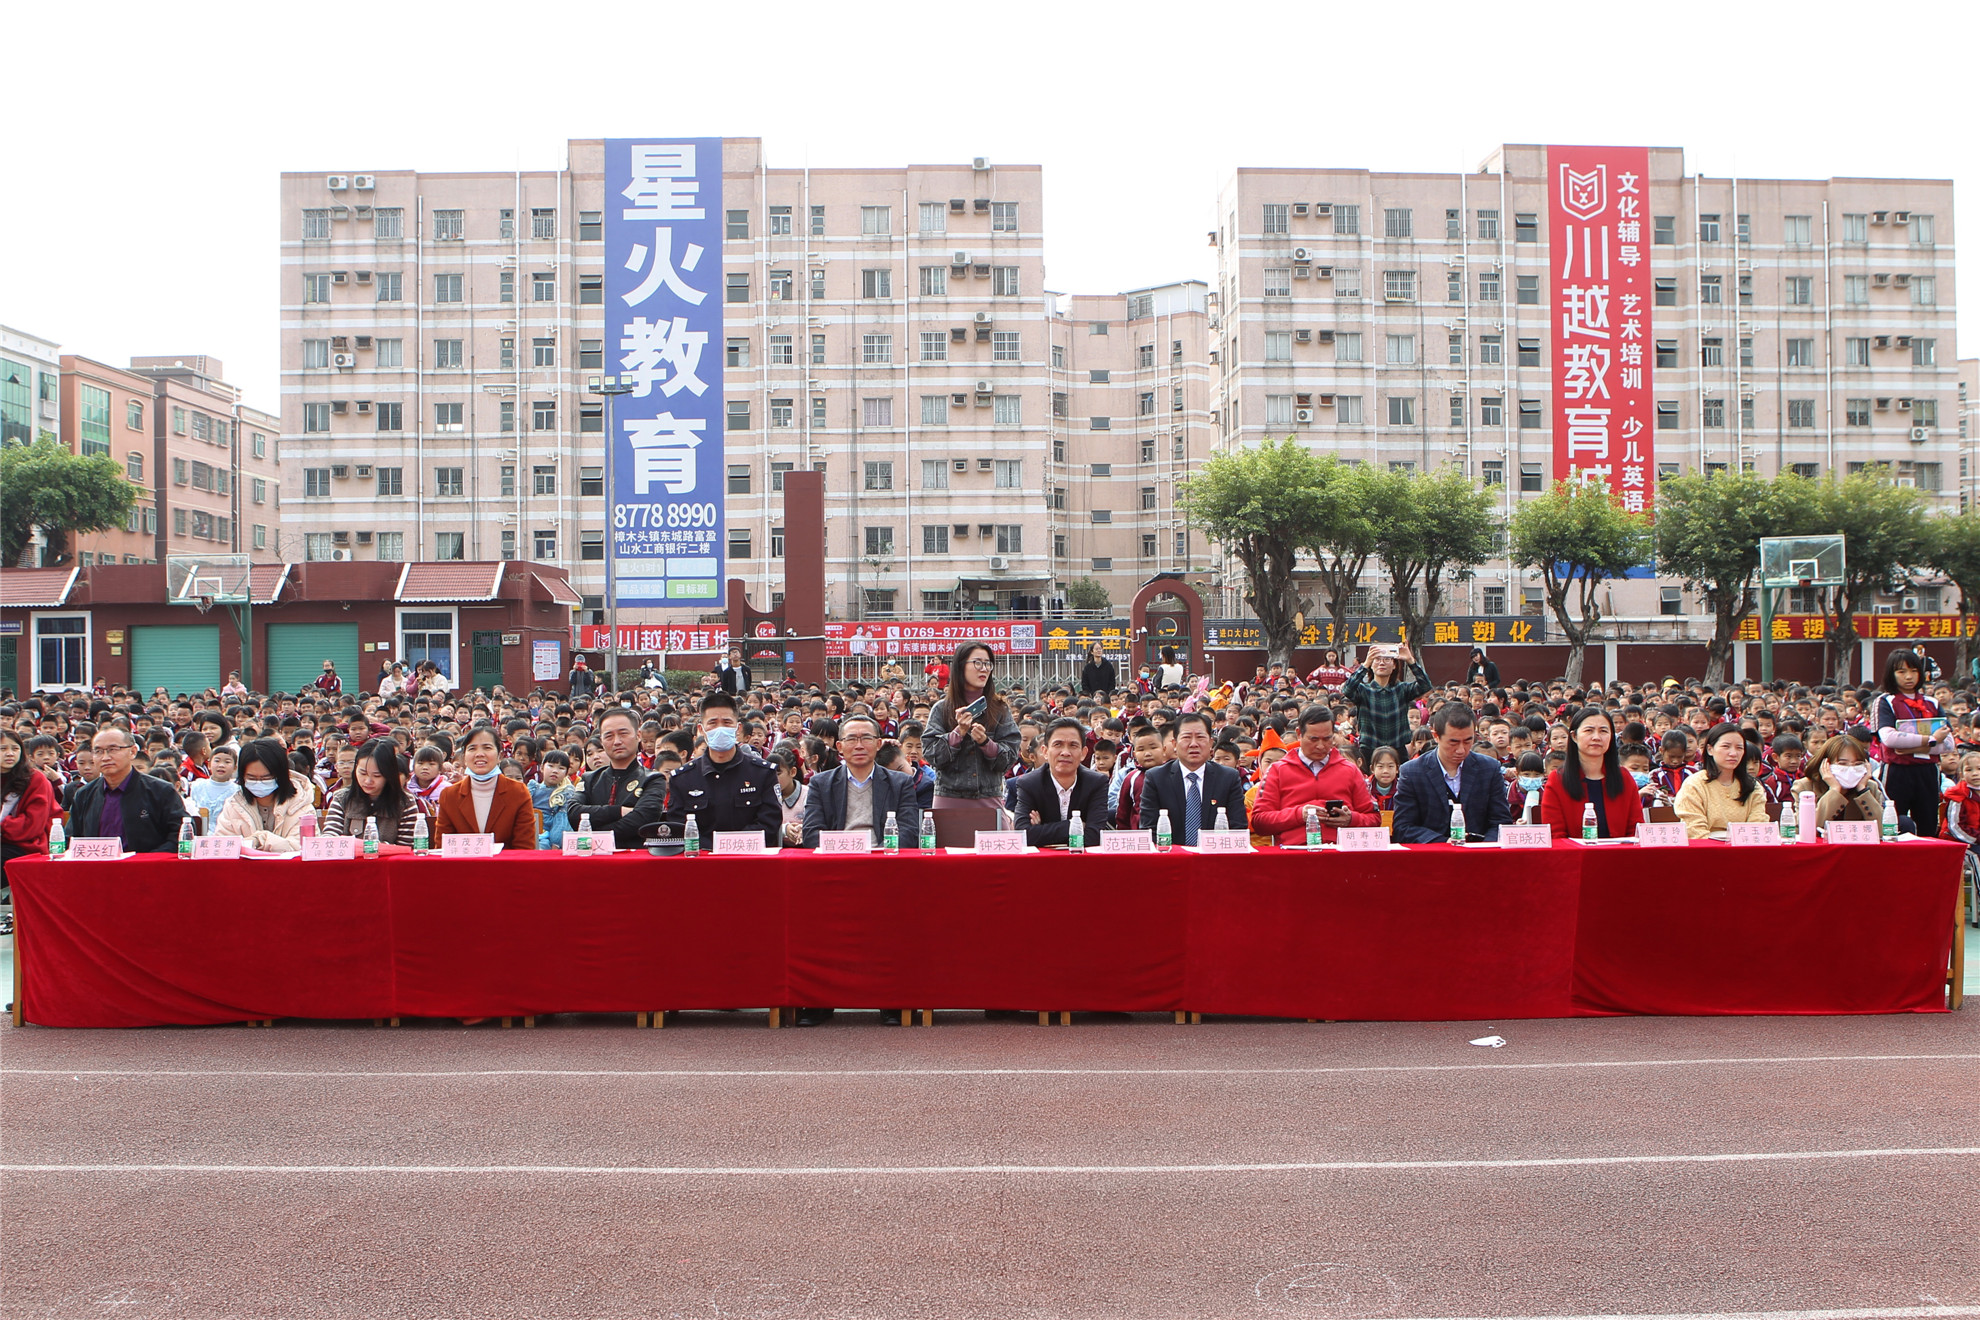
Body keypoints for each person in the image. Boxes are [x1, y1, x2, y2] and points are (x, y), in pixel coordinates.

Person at [658, 692, 782, 845]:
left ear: (738, 728)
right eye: (713, 723)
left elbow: (769, 822)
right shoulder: (683, 778)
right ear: (701, 730)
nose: (720, 728)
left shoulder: (762, 773)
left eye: (727, 722)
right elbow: (679, 826)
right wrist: (713, 849)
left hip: (749, 857)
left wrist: (729, 846)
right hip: (701, 860)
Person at [1248, 705, 1376, 845]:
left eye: (1327, 739)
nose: (1321, 746)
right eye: (1313, 739)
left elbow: (1374, 818)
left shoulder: (1350, 770)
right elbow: (1259, 821)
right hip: (1293, 854)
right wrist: (1299, 814)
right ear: (1299, 734)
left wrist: (1351, 819)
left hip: (1340, 853)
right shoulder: (1278, 770)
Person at [924, 642, 1021, 825]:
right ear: (961, 666)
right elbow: (932, 755)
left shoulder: (999, 709)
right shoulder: (942, 709)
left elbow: (1008, 759)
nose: (983, 669)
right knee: (948, 853)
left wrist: (985, 742)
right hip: (949, 799)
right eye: (977, 663)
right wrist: (958, 734)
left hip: (988, 798)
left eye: (988, 664)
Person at [1392, 704, 1516, 843]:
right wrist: (1444, 843)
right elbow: (1404, 827)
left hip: (1479, 856)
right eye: (1453, 742)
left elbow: (1501, 822)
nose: (1461, 750)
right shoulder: (1412, 772)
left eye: (1468, 741)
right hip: (1432, 857)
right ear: (1436, 736)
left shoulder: (1489, 768)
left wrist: (1484, 847)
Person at [800, 714, 922, 848]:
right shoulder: (821, 783)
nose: (859, 746)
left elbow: (908, 831)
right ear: (840, 747)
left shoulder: (900, 783)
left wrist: (879, 855)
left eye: (866, 738)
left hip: (884, 860)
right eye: (851, 739)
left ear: (878, 744)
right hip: (837, 859)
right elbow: (811, 833)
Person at [66, 726, 187, 854]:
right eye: (98, 751)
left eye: (113, 749)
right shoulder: (84, 795)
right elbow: (71, 838)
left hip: (145, 869)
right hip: (96, 868)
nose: (105, 757)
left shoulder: (161, 791)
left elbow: (180, 834)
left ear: (133, 752)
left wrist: (148, 860)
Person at [1872, 649, 1951, 837]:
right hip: (1897, 771)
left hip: (1928, 771)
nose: (1909, 677)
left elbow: (1948, 743)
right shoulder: (1885, 702)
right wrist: (1931, 740)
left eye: (1914, 671)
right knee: (1893, 824)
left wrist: (1906, 747)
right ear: (1891, 674)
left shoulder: (1932, 702)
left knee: (1928, 825)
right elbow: (1889, 739)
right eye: (1901, 672)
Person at [1136, 711, 1247, 844]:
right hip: (1172, 858)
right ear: (1175, 744)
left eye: (1200, 737)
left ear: (1211, 743)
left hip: (1214, 859)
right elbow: (1149, 829)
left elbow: (1238, 827)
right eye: (1187, 737)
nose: (1193, 744)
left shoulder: (1228, 777)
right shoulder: (1156, 778)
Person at [565, 706, 666, 848]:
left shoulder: (653, 779)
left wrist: (594, 836)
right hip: (593, 860)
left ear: (638, 736)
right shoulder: (589, 779)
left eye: (623, 734)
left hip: (635, 859)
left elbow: (641, 819)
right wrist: (620, 811)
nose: (617, 741)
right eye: (609, 736)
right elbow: (574, 813)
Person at [1541, 706, 1648, 840]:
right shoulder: (1557, 780)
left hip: (1620, 857)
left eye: (1603, 731)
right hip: (1575, 858)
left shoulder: (1624, 778)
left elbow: (1636, 831)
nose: (1596, 737)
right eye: (1589, 731)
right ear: (1574, 736)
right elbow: (1556, 836)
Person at [434, 724, 538, 850]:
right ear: (464, 758)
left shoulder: (518, 792)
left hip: (506, 867)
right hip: (463, 867)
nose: (479, 754)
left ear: (500, 756)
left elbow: (524, 848)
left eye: (487, 748)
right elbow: (443, 847)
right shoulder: (449, 795)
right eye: (472, 749)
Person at [1011, 717, 1112, 847]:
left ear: (1083, 753)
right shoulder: (1029, 783)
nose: (1065, 752)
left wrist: (1041, 830)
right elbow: (1023, 835)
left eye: (1073, 745)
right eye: (1058, 745)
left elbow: (1094, 837)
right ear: (1045, 751)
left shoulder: (1096, 782)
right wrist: (1074, 825)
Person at [212, 738, 317, 852]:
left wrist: (261, 840)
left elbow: (303, 847)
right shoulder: (233, 806)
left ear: (280, 775)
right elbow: (223, 847)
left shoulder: (301, 805)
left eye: (266, 778)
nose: (259, 783)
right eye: (251, 778)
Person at [1672, 722, 1769, 840]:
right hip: (1706, 852)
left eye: (1739, 748)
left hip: (1743, 850)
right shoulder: (1694, 785)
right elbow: (1694, 830)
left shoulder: (1753, 786)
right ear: (1710, 749)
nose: (1733, 753)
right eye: (1726, 746)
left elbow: (1757, 827)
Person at [1340, 643, 1430, 768]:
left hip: (1398, 748)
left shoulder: (1402, 689)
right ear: (1371, 664)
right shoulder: (1363, 690)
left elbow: (1425, 685)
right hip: (1369, 749)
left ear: (1394, 665)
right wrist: (1365, 664)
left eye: (1387, 659)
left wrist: (1410, 660)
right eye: (1377, 659)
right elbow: (1347, 689)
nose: (1381, 663)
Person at [323, 739, 422, 846]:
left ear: (389, 774)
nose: (368, 781)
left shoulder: (405, 802)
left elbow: (406, 847)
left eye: (377, 775)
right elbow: (330, 835)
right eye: (363, 773)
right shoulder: (342, 798)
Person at [0, 727, 58, 898]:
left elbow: (32, 825)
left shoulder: (35, 779)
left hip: (25, 846)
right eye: (3, 749)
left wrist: (3, 827)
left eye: (15, 748)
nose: (10, 753)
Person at [1797, 733, 1893, 833]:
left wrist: (1862, 791)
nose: (1850, 769)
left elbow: (1884, 830)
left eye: (1857, 764)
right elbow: (1806, 829)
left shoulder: (1870, 787)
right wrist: (1834, 790)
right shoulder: (1805, 787)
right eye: (1842, 764)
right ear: (1826, 764)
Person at [771, 749, 808, 846]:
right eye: (770, 773)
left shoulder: (808, 794)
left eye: (778, 773)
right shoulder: (765, 796)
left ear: (792, 772)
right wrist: (784, 829)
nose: (773, 778)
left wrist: (801, 829)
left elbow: (814, 822)